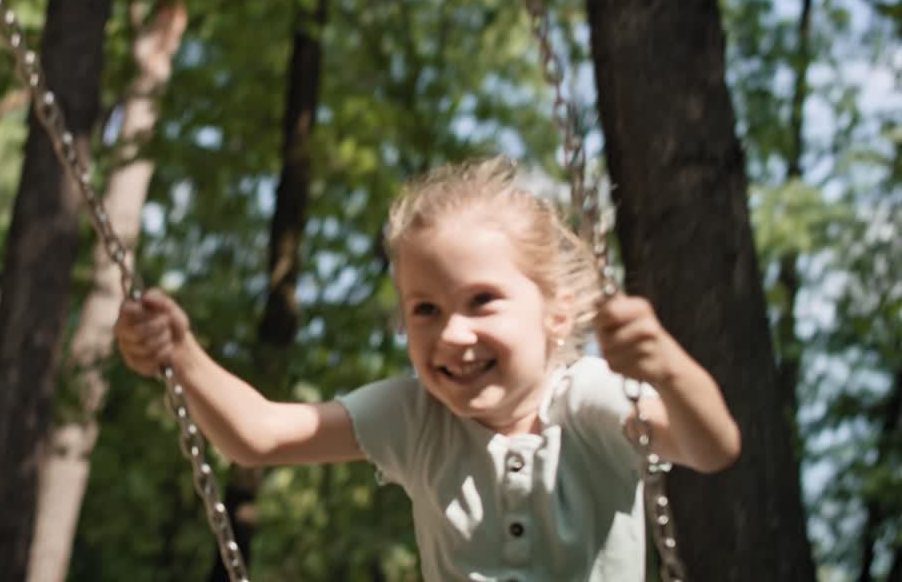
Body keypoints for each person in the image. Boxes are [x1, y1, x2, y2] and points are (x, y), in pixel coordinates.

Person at [115, 156, 740, 581]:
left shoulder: (590, 403)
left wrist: (669, 369)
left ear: (556, 313)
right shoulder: (416, 417)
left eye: (482, 300)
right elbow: (260, 436)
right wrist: (183, 354)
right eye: (426, 309)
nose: (453, 334)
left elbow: (711, 448)